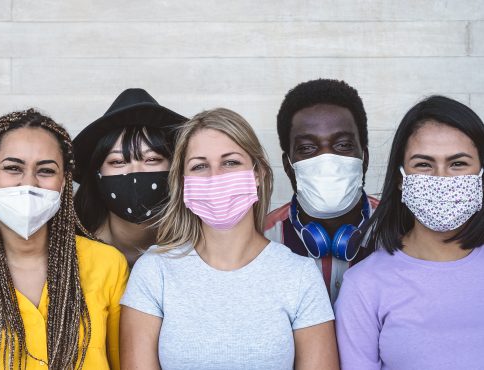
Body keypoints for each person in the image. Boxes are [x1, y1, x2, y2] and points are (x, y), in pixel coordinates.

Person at [120, 108, 338, 370]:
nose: (215, 177)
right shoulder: (155, 270)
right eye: (200, 166)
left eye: (230, 162)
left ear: (258, 174)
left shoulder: (300, 275)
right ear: (184, 182)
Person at [0, 109, 128, 369]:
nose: (28, 183)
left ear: (64, 182)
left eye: (45, 171)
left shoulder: (108, 265)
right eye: (13, 168)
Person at [335, 96, 484, 370]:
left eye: (458, 164)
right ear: (401, 179)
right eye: (424, 164)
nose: (442, 179)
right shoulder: (364, 285)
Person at [264, 79, 379, 303]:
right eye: (307, 148)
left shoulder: (400, 231)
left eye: (343, 145)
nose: (326, 159)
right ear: (288, 166)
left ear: (364, 159)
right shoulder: (263, 239)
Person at [73, 88, 186, 265]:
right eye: (118, 162)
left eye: (152, 159)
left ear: (175, 168)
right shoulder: (73, 252)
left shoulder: (195, 250)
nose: (135, 172)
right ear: (97, 174)